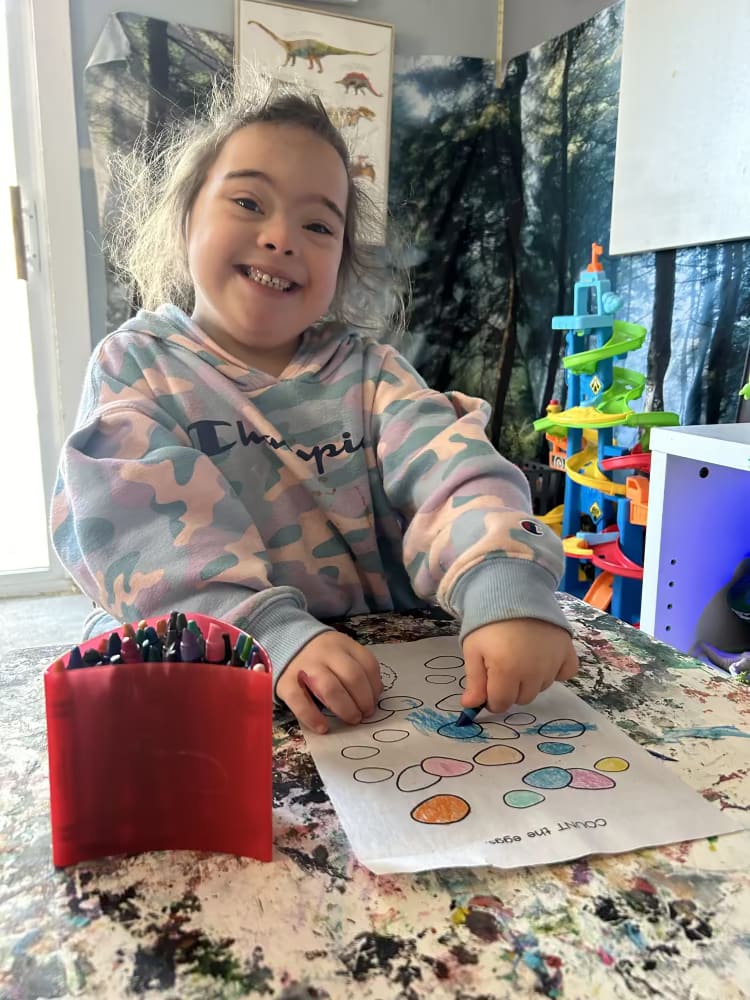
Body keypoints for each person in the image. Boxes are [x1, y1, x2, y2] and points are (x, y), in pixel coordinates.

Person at [51, 79, 578, 734]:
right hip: (223, 669)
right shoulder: (136, 366)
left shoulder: (373, 374)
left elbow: (456, 471)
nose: (281, 237)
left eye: (319, 225)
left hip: (387, 689)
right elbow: (138, 536)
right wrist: (268, 633)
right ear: (185, 218)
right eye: (248, 202)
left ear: (344, 264)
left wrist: (502, 582)